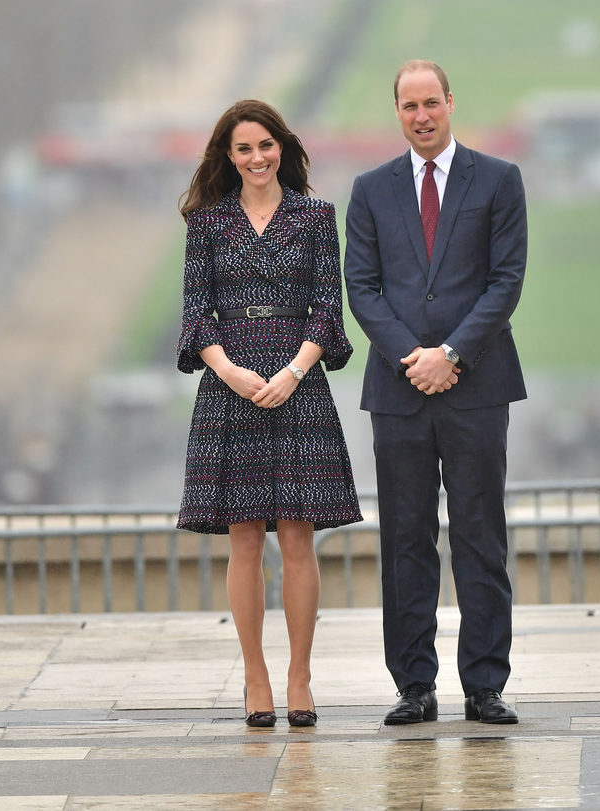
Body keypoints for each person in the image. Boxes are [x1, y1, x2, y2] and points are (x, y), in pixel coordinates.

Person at [344, 60, 527, 725]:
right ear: (396, 112)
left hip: (476, 387)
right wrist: (410, 357)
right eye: (407, 105)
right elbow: (361, 287)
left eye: (430, 102)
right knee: (406, 538)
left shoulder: (499, 181)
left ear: (451, 102)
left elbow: (505, 283)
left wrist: (450, 353)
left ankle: (484, 685)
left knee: (481, 535)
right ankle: (413, 685)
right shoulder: (370, 190)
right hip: (399, 394)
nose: (420, 115)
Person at [176, 99, 362, 728]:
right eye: (244, 149)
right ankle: (255, 677)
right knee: (245, 538)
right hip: (228, 387)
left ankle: (299, 677)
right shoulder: (206, 223)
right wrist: (229, 371)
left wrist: (291, 372)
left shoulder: (315, 216)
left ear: (283, 147)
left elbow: (325, 308)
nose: (257, 158)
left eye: (265, 146)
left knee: (297, 536)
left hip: (298, 383)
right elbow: (196, 313)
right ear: (227, 158)